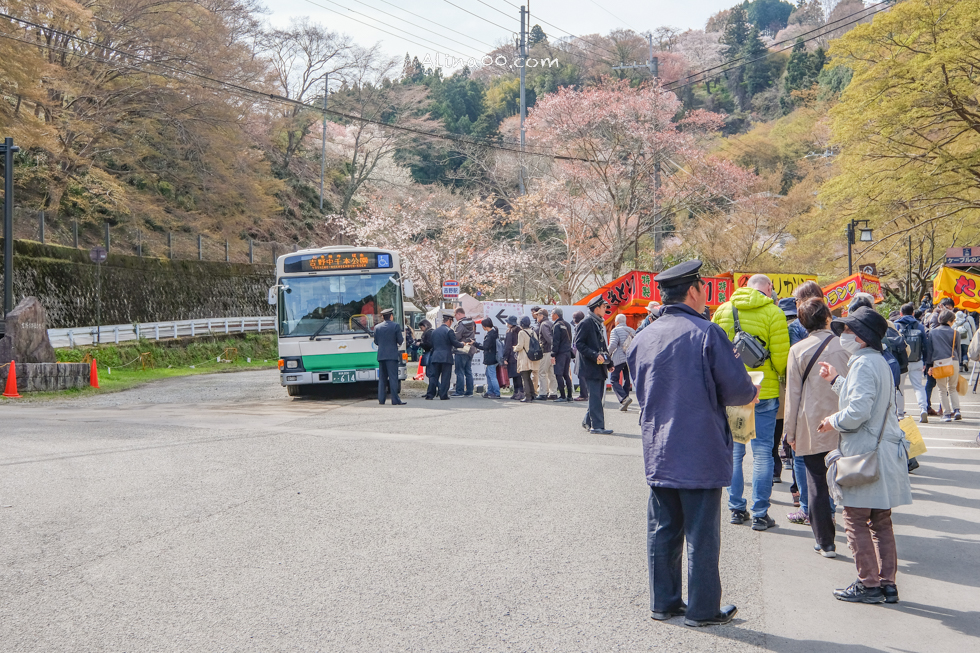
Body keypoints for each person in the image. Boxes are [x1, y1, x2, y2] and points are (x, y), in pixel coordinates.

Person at [628, 259, 757, 627]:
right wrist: (752, 389)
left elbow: (640, 390)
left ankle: (664, 603)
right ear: (695, 291)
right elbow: (738, 390)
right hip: (700, 446)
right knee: (702, 533)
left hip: (658, 445)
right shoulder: (706, 332)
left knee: (662, 528)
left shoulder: (644, 335)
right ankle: (702, 610)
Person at [816, 307, 913, 604]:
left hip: (864, 453)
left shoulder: (861, 364)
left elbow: (858, 411)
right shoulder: (878, 361)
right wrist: (836, 380)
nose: (843, 335)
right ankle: (887, 584)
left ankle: (868, 583)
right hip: (883, 452)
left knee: (855, 518)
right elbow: (867, 399)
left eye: (847, 331)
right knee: (881, 520)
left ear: (858, 337)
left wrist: (832, 420)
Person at [712, 274, 790, 531]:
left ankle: (736, 508)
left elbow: (714, 353)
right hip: (764, 393)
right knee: (763, 454)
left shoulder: (723, 310)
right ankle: (760, 513)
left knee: (735, 452)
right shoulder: (774, 313)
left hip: (734, 392)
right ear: (768, 288)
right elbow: (781, 360)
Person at [784, 298, 850, 555]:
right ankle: (862, 541)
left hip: (812, 425)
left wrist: (790, 432)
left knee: (816, 484)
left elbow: (793, 395)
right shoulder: (846, 345)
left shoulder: (798, 350)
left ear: (802, 322)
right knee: (853, 480)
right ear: (827, 317)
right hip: (846, 422)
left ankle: (826, 542)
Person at [576, 295, 613, 434]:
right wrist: (593, 354)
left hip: (599, 365)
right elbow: (579, 343)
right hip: (589, 366)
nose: (605, 310)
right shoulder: (586, 323)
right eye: (604, 307)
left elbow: (602, 345)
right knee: (596, 397)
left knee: (596, 396)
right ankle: (597, 426)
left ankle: (587, 421)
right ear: (596, 308)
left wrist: (610, 362)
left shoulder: (598, 323)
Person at [895, 303, 931, 423]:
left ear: (901, 313)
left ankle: (900, 413)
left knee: (899, 388)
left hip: (901, 362)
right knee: (918, 387)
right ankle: (923, 409)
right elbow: (926, 345)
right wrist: (925, 361)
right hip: (917, 361)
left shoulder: (897, 325)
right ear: (913, 313)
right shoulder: (919, 326)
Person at [927, 309, 961, 422]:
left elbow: (930, 351)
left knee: (942, 389)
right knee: (952, 388)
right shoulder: (956, 332)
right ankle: (957, 410)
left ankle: (946, 414)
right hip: (953, 361)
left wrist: (929, 366)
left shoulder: (933, 332)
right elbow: (958, 350)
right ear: (950, 321)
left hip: (939, 362)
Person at [426, 313, 464, 400]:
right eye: (451, 321)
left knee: (434, 376)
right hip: (446, 357)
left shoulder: (434, 331)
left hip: (435, 356)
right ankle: (443, 395)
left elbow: (431, 344)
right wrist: (462, 344)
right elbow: (455, 343)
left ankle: (430, 394)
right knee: (445, 377)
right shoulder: (449, 331)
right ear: (449, 321)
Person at [374, 308, 406, 405]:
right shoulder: (395, 326)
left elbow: (376, 342)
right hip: (392, 355)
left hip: (381, 355)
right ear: (391, 316)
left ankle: (381, 399)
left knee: (382, 378)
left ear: (383, 317)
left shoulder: (377, 327)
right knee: (393, 378)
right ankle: (395, 400)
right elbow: (400, 341)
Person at [608, 314, 636, 411]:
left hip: (619, 358)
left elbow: (613, 344)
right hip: (630, 358)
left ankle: (624, 398)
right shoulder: (632, 330)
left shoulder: (615, 330)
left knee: (613, 379)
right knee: (626, 379)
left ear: (617, 322)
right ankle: (625, 401)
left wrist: (607, 354)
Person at [452, 307, 476, 396]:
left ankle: (459, 391)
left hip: (461, 350)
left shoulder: (460, 324)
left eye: (455, 315)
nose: (455, 317)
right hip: (471, 349)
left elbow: (456, 337)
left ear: (459, 314)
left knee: (459, 371)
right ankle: (469, 391)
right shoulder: (472, 322)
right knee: (468, 371)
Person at [551, 308, 574, 402]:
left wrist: (553, 354)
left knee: (558, 374)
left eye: (552, 314)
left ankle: (562, 396)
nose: (551, 316)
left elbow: (555, 341)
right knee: (566, 374)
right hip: (568, 352)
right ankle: (569, 395)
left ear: (556, 315)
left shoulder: (557, 325)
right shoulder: (567, 324)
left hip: (560, 353)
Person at [514, 316, 538, 403]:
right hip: (532, 357)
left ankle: (527, 396)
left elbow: (520, 346)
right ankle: (533, 394)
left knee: (525, 377)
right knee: (529, 377)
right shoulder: (533, 332)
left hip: (524, 357)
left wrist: (514, 348)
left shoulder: (521, 332)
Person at [536, 309, 558, 399]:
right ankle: (553, 393)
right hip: (552, 352)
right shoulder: (551, 323)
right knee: (551, 373)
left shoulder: (543, 325)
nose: (537, 317)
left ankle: (543, 393)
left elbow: (549, 339)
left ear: (542, 316)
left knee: (542, 372)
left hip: (546, 351)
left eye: (538, 315)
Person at [479, 318, 501, 398]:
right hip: (494, 358)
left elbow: (485, 347)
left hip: (490, 359)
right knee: (489, 375)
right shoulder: (494, 333)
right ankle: (490, 391)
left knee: (492, 376)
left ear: (485, 326)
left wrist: (475, 344)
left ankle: (496, 392)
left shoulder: (490, 335)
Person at [503, 315, 524, 401]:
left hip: (511, 356)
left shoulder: (510, 332)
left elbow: (507, 346)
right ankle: (519, 392)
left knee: (515, 375)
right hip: (519, 355)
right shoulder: (520, 330)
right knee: (518, 375)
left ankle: (517, 392)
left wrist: (505, 358)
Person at [571, 311, 589, 402]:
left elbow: (576, 343)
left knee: (581, 374)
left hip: (579, 353)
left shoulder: (578, 327)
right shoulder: (586, 325)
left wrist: (574, 354)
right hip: (584, 353)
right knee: (584, 374)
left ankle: (583, 394)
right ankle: (586, 393)